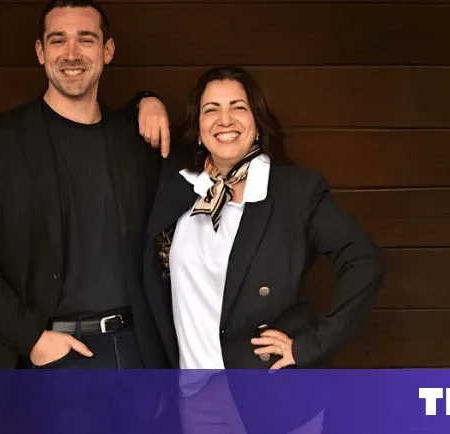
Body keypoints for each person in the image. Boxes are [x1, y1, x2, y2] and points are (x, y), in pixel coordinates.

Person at [142, 66, 386, 433]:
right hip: (195, 395)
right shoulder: (180, 186)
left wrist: (309, 347)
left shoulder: (294, 190)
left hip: (273, 392)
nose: (225, 120)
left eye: (238, 107)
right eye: (211, 109)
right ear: (197, 124)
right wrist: (145, 102)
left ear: (257, 118)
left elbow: (365, 261)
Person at [0, 0, 172, 372]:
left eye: (85, 40)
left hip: (135, 353)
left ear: (107, 51)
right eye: (57, 40)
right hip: (48, 354)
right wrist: (31, 337)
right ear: (40, 51)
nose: (71, 54)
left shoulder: (135, 139)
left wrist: (148, 99)